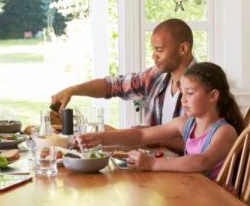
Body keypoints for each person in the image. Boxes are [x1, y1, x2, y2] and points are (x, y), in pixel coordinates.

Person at [79, 62, 245, 178]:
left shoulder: (224, 132)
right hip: (194, 191)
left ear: (213, 96)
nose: (183, 99)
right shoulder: (186, 124)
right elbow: (140, 136)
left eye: (190, 93)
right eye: (183, 93)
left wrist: (152, 164)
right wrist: (100, 138)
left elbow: (201, 162)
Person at [51, 18, 196, 127]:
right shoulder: (156, 76)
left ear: (183, 48)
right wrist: (72, 90)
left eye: (159, 50)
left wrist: (147, 137)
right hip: (154, 163)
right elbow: (114, 86)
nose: (153, 56)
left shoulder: (202, 86)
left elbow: (200, 142)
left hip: (185, 166)